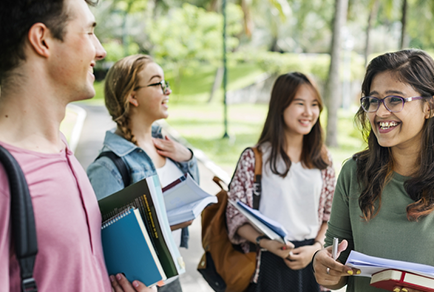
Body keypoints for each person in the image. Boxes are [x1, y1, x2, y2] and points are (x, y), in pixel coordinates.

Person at [312, 50, 434, 292]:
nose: (380, 112)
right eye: (373, 100)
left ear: (430, 106)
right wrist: (324, 266)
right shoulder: (354, 173)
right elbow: (337, 266)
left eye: (395, 99)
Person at [0, 0, 150, 291]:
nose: (101, 50)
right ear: (42, 40)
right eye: (89, 32)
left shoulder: (60, 148)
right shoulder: (4, 177)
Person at [87, 54, 199, 292]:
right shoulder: (107, 167)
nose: (167, 91)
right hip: (143, 286)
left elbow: (193, 195)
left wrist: (188, 158)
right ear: (132, 96)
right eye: (158, 83)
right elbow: (105, 245)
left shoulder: (167, 144)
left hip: (172, 278)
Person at [225, 72, 336, 292]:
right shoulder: (254, 158)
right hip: (266, 260)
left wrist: (315, 248)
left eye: (314, 104)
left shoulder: (323, 159)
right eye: (300, 103)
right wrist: (266, 243)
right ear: (281, 105)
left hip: (310, 262)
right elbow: (235, 215)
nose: (308, 112)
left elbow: (330, 215)